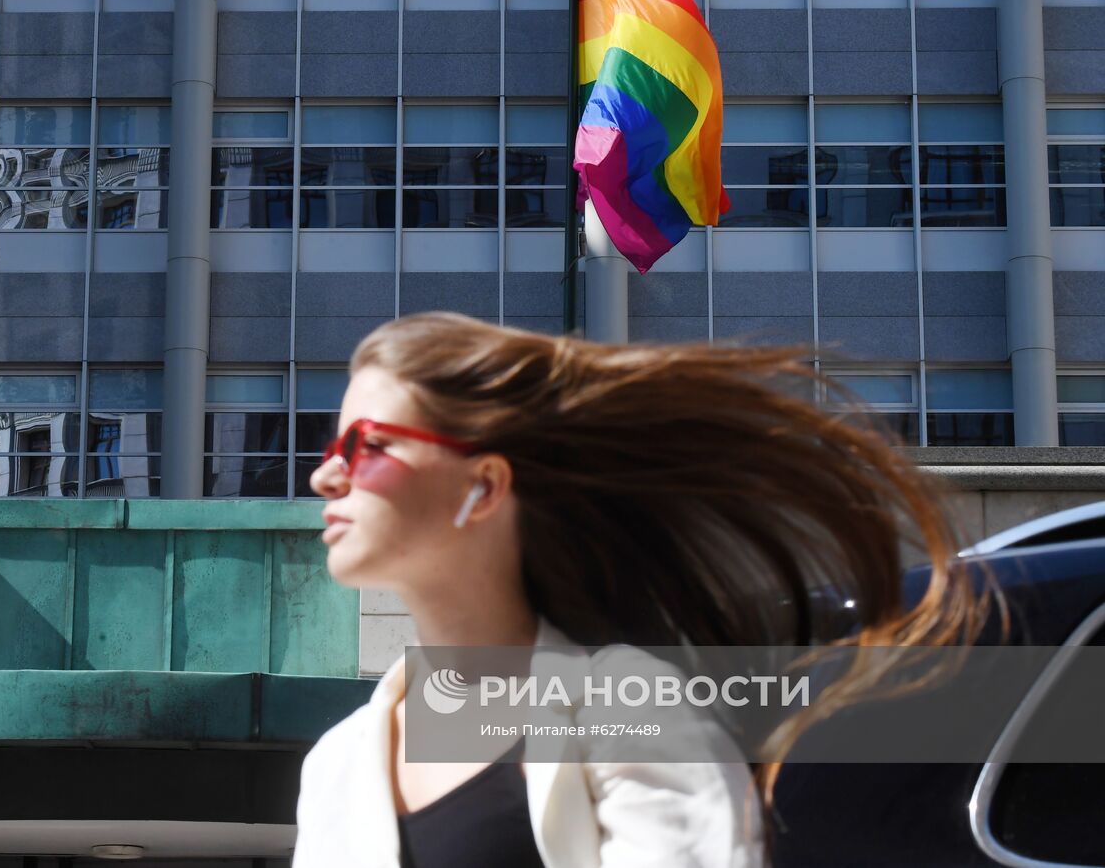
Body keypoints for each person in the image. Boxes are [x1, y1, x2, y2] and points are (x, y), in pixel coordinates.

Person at [290, 311, 990, 868]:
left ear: (485, 485)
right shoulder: (338, 762)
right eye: (330, 451)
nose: (327, 476)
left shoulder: (626, 707)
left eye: (367, 446)